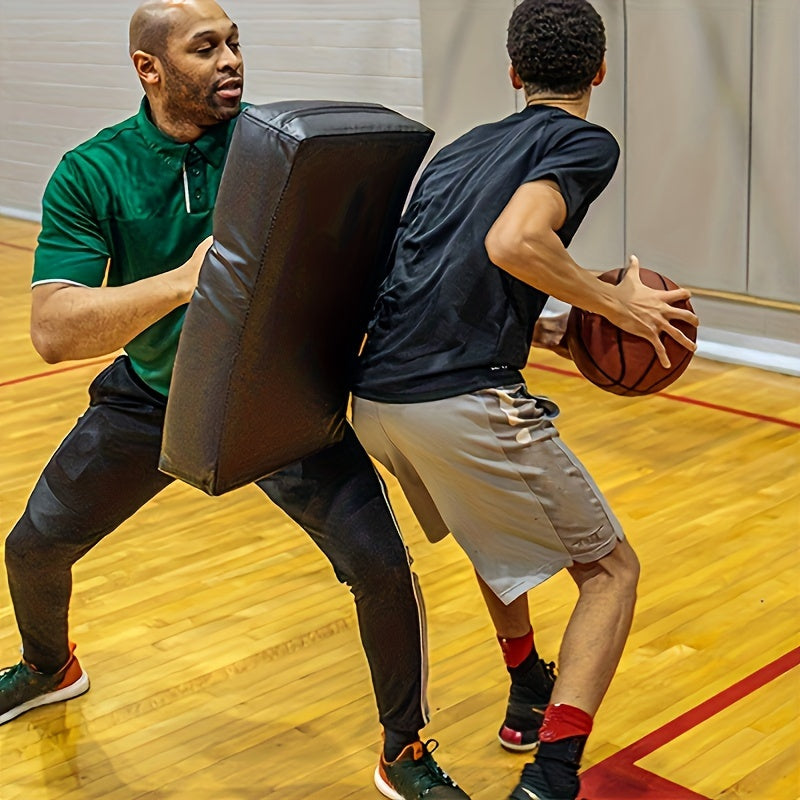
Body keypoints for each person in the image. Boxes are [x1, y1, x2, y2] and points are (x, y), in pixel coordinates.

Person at [0, 3, 469, 798]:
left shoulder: (284, 151)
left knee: (381, 566)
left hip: (278, 395)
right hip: (152, 396)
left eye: (236, 42)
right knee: (32, 549)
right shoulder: (93, 170)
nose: (232, 62)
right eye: (206, 47)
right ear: (150, 69)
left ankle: (404, 749)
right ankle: (50, 666)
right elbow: (53, 329)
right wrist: (185, 281)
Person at [350, 1, 699, 799]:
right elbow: (514, 242)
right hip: (455, 395)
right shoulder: (584, 139)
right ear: (601, 72)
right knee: (611, 573)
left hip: (377, 395)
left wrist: (539, 327)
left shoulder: (465, 148)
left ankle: (527, 692)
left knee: (490, 540)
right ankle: (552, 777)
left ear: (514, 73)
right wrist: (617, 308)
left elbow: (432, 266)